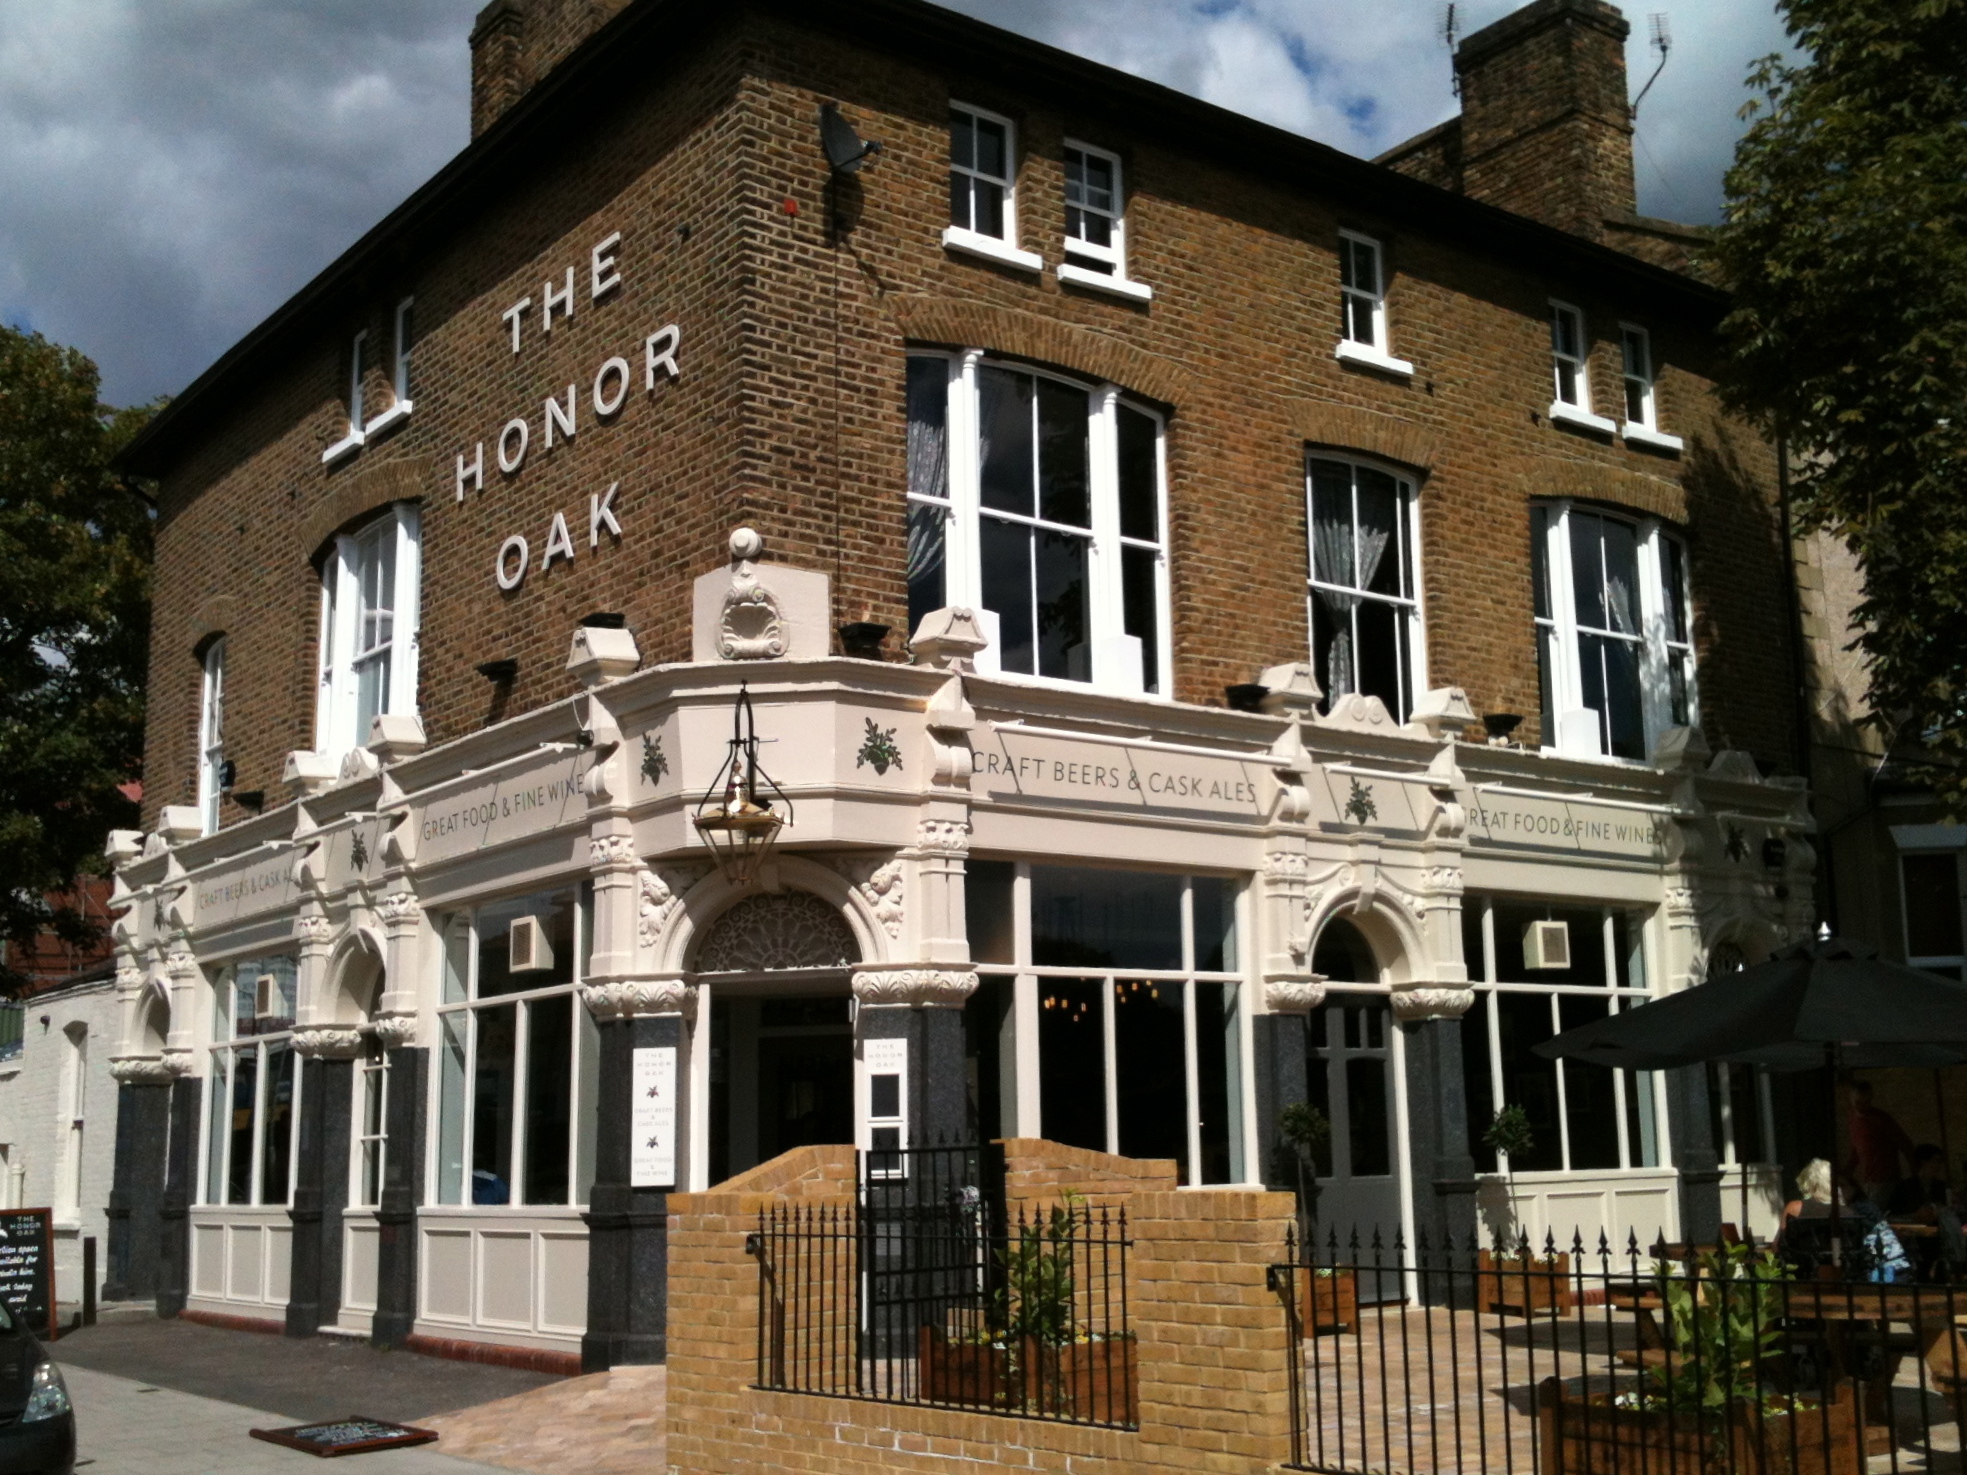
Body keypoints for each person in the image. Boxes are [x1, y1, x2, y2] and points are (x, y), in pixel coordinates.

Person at [1844, 1077, 1915, 1206]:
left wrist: (1914, 1174)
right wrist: (1846, 1173)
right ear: (1851, 1098)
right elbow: (1856, 1149)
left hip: (1886, 1180)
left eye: (1867, 1102)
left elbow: (1905, 1144)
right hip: (1868, 1180)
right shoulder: (1852, 1119)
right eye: (1858, 1102)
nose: (1863, 1106)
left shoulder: (1881, 1119)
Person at [1887, 1143, 1953, 1221]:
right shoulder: (1904, 1187)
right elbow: (1892, 1214)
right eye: (1936, 1161)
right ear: (1923, 1162)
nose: (1939, 1165)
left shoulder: (1941, 1186)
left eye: (1940, 1162)